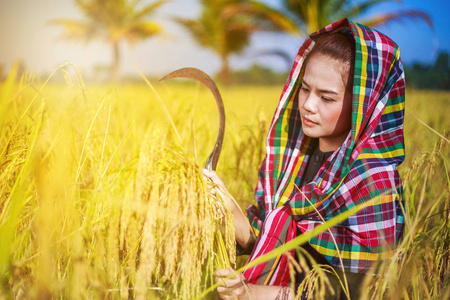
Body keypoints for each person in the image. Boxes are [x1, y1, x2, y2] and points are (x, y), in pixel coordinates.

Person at [204, 18, 405, 300]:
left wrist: (252, 293)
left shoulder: (372, 182)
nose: (308, 105)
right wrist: (222, 201)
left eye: (327, 98)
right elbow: (265, 239)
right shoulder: (295, 158)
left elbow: (357, 292)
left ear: (363, 104)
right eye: (305, 89)